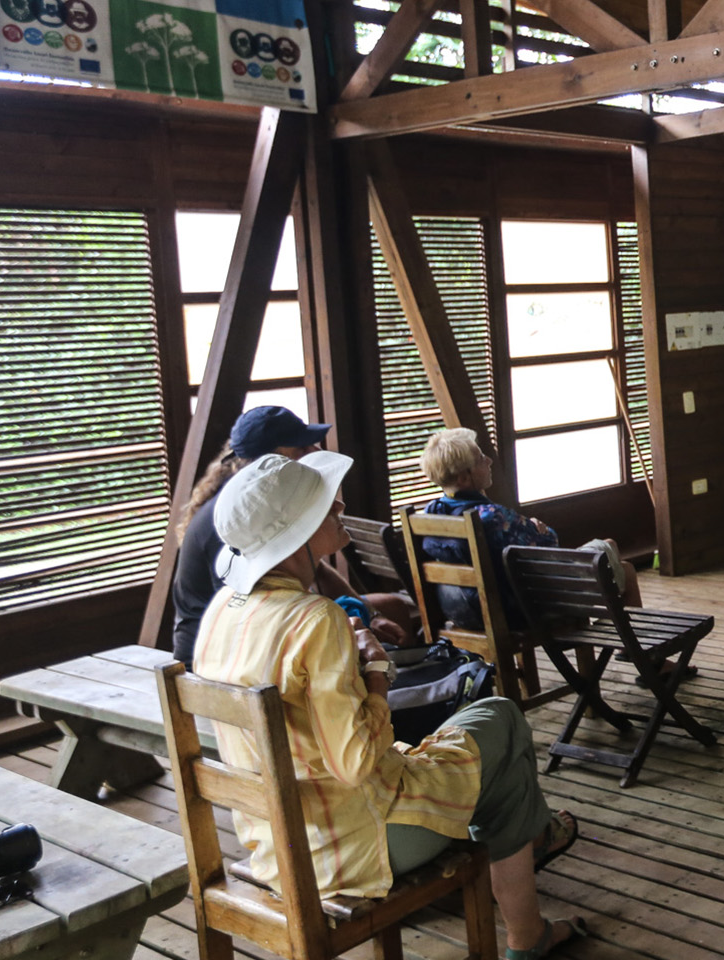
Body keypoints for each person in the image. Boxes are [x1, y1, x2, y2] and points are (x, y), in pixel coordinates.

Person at [192, 452, 585, 958]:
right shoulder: (315, 619)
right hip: (359, 844)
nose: (341, 507)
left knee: (491, 752)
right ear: (301, 532)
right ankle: (528, 905)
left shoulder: (222, 612)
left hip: (277, 844)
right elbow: (356, 762)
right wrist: (376, 673)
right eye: (329, 506)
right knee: (503, 721)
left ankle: (531, 843)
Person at [172, 405, 411, 665]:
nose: (316, 453)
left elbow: (316, 570)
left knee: (391, 606)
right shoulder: (239, 520)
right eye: (303, 448)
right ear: (272, 460)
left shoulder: (264, 502)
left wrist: (370, 614)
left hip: (265, 625)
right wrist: (345, 629)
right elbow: (255, 612)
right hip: (219, 655)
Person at [418, 428, 642, 632]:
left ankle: (627, 639)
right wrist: (537, 528)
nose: (488, 461)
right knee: (619, 562)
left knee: (615, 563)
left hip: (465, 612)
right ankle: (644, 656)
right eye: (479, 459)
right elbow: (550, 542)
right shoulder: (490, 516)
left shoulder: (430, 514)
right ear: (464, 477)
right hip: (520, 610)